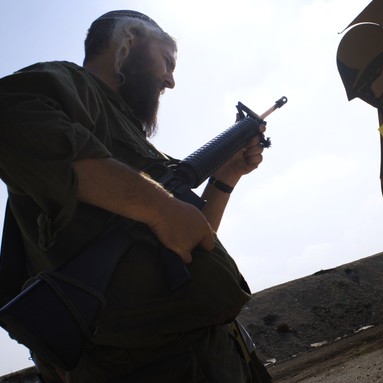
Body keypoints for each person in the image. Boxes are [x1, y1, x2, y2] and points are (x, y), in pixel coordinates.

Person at [0, 10, 270, 383]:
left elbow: (188, 239)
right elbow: (8, 118)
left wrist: (225, 177)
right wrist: (159, 206)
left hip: (213, 350)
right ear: (127, 39)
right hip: (145, 364)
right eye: (166, 61)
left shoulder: (123, 130)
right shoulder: (75, 85)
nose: (171, 81)